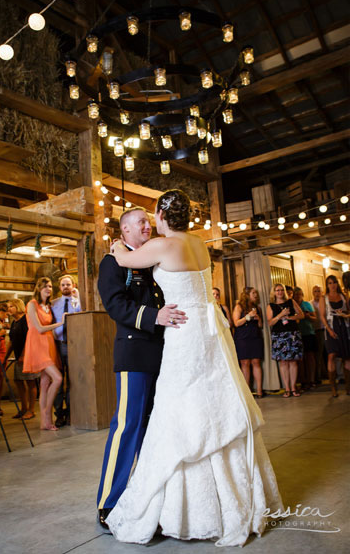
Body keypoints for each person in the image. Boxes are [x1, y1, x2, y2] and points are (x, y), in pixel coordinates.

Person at [105, 189, 282, 546]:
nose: (150, 222)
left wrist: (116, 247)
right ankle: (230, 497)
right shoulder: (199, 243)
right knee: (214, 401)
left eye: (153, 215)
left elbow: (123, 261)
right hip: (210, 332)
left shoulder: (163, 246)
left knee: (180, 408)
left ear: (162, 216)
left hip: (184, 335)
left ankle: (183, 505)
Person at [96, 206, 183, 530]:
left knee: (153, 429)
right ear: (125, 231)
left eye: (149, 221)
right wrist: (153, 317)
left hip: (163, 354)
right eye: (141, 223)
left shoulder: (151, 260)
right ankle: (109, 501)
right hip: (134, 354)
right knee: (127, 427)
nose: (148, 226)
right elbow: (115, 304)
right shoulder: (112, 262)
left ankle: (147, 497)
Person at [23, 277, 64, 431]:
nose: (48, 289)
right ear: (38, 288)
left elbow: (65, 298)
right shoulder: (32, 304)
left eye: (50, 286)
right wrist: (59, 323)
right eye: (45, 286)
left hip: (49, 344)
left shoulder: (49, 306)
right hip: (37, 344)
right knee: (58, 378)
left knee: (45, 383)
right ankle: (47, 414)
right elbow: (39, 329)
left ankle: (45, 423)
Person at [50, 275, 81, 427]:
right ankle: (59, 414)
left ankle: (70, 412)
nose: (66, 287)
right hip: (58, 344)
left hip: (74, 345)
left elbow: (82, 315)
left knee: (72, 381)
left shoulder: (79, 301)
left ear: (73, 285)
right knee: (57, 380)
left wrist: (78, 298)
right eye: (63, 285)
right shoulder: (53, 304)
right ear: (60, 287)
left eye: (68, 284)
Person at [267, 283, 305, 397]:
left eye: (281, 290)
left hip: (292, 333)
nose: (280, 292)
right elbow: (269, 323)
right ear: (274, 292)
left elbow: (301, 315)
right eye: (277, 290)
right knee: (283, 362)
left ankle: (293, 388)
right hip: (279, 336)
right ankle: (287, 388)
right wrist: (281, 315)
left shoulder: (291, 302)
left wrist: (289, 317)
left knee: (293, 361)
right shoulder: (271, 306)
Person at [4, 298, 37, 420]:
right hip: (19, 357)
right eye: (8, 307)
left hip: (28, 356)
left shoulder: (26, 319)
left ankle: (31, 410)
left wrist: (24, 354)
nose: (9, 309)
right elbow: (12, 342)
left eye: (11, 306)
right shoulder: (14, 322)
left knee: (30, 382)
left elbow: (30, 337)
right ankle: (23, 408)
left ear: (18, 306)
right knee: (18, 381)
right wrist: (5, 357)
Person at [318, 274, 350, 397]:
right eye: (330, 283)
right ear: (327, 285)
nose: (332, 285)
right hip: (331, 328)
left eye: (334, 282)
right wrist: (329, 329)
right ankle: (333, 388)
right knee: (331, 355)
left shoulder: (343, 296)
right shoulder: (323, 298)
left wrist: (345, 314)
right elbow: (322, 315)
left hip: (344, 328)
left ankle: (348, 386)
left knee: (346, 357)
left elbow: (348, 310)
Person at [233, 287, 264, 398]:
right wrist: (248, 316)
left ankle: (259, 391)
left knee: (256, 363)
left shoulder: (258, 308)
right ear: (247, 295)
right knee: (245, 364)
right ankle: (248, 393)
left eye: (256, 293)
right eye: (253, 293)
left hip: (255, 337)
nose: (256, 295)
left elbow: (261, 326)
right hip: (242, 338)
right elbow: (236, 323)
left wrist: (258, 319)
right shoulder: (239, 307)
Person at [294, 286, 317, 392]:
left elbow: (315, 318)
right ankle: (303, 381)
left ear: (302, 295)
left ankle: (312, 380)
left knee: (310, 357)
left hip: (309, 333)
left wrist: (307, 316)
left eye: (299, 294)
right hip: (297, 334)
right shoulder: (293, 305)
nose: (298, 296)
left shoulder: (307, 304)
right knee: (300, 359)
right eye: (296, 294)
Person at [311, 284, 327, 384]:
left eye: (319, 291)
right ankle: (319, 376)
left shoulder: (325, 302)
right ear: (313, 293)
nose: (317, 293)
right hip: (317, 330)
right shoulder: (310, 304)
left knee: (329, 353)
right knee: (318, 354)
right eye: (315, 291)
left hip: (326, 329)